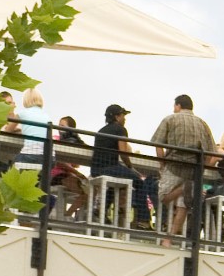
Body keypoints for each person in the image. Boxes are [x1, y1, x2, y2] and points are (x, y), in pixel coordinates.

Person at [152, 94, 215, 238]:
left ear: (178, 105)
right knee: (183, 205)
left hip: (174, 166)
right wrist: (201, 169)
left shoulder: (170, 119)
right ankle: (169, 238)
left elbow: (158, 144)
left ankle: (182, 188)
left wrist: (162, 164)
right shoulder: (203, 124)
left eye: (174, 106)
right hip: (193, 170)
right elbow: (212, 151)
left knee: (163, 197)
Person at [89, 104, 155, 227]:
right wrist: (130, 166)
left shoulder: (100, 131)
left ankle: (101, 211)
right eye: (123, 115)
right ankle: (143, 220)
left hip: (96, 170)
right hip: (110, 168)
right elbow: (123, 152)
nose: (125, 119)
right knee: (140, 183)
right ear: (117, 116)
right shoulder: (120, 129)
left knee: (115, 184)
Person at [48, 116, 89, 219]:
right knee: (83, 190)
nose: (59, 128)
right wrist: (78, 173)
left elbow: (76, 164)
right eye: (59, 125)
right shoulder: (56, 139)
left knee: (89, 192)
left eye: (62, 125)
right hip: (56, 175)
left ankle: (67, 215)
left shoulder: (73, 141)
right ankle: (66, 216)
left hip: (67, 175)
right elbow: (60, 162)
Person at [12, 87, 53, 168]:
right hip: (49, 157)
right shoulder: (47, 116)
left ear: (25, 100)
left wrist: (17, 130)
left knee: (11, 168)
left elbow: (7, 129)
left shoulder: (22, 114)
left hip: (30, 155)